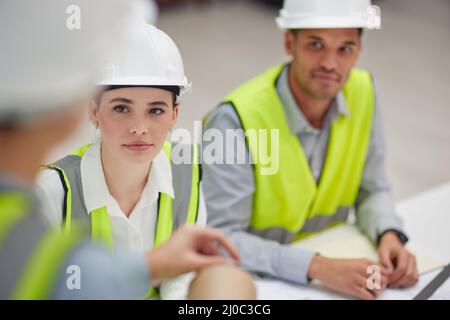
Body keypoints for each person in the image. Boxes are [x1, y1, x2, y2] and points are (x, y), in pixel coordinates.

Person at [0, 0, 248, 300]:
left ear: (175, 115)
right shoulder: (54, 191)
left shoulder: (187, 173)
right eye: (121, 108)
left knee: (228, 280)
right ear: (92, 112)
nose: (139, 128)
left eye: (156, 111)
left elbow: (180, 280)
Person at [202, 0, 418, 299]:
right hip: (256, 281)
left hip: (334, 276)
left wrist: (388, 233)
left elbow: (373, 188)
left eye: (345, 48)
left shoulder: (363, 92)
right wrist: (317, 267)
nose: (330, 63)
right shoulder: (235, 119)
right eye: (316, 45)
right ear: (289, 42)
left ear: (359, 50)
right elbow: (222, 238)